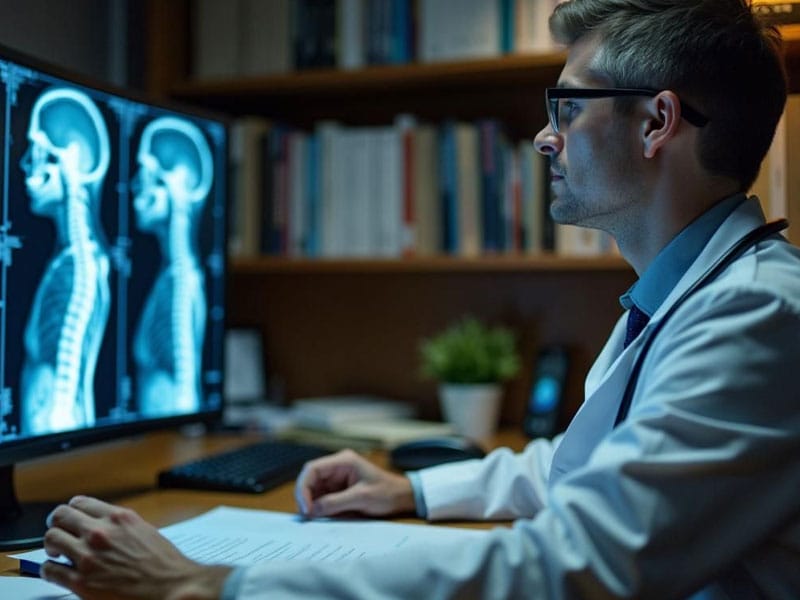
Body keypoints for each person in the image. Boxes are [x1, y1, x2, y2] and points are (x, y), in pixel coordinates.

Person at [41, 0, 800, 598]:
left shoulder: (755, 316)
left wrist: (212, 585)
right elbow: (586, 468)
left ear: (657, 123)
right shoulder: (691, 295)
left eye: (566, 107)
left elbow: (572, 568)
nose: (544, 138)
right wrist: (410, 488)